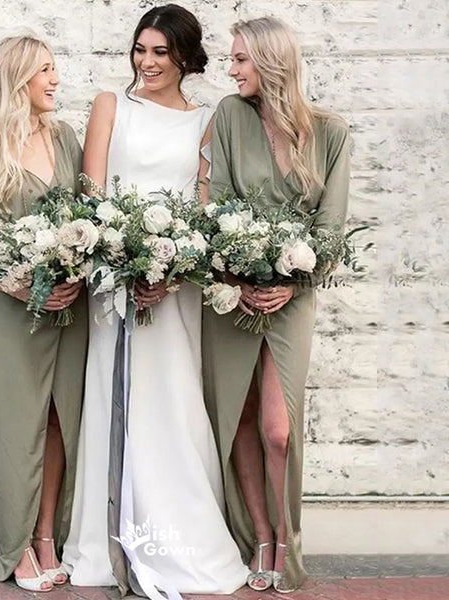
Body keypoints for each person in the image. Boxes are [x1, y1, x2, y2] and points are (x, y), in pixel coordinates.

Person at [62, 4, 248, 596]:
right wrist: (118, 260)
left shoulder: (205, 123)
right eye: (140, 50)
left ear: (186, 57)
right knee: (113, 397)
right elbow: (90, 196)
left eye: (161, 52)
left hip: (172, 288)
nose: (147, 62)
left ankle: (179, 540)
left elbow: (203, 209)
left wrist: (169, 272)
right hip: (111, 283)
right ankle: (106, 542)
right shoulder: (109, 106)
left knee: (170, 397)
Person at [203, 17, 351, 593]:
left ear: (270, 62)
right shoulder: (229, 116)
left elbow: (331, 228)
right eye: (232, 59)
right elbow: (217, 205)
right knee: (240, 415)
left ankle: (287, 542)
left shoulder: (331, 133)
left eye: (240, 59)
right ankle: (260, 536)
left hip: (293, 297)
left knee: (278, 428)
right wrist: (236, 278)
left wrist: (294, 281)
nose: (230, 69)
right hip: (235, 293)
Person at [0, 34, 88, 593]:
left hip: (70, 310)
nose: (55, 80)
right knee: (19, 428)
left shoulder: (66, 138)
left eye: (55, 69)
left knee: (60, 422)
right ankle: (17, 547)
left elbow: (90, 217)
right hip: (16, 316)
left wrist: (79, 267)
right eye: (44, 70)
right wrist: (21, 286)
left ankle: (48, 536)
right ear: (16, 79)